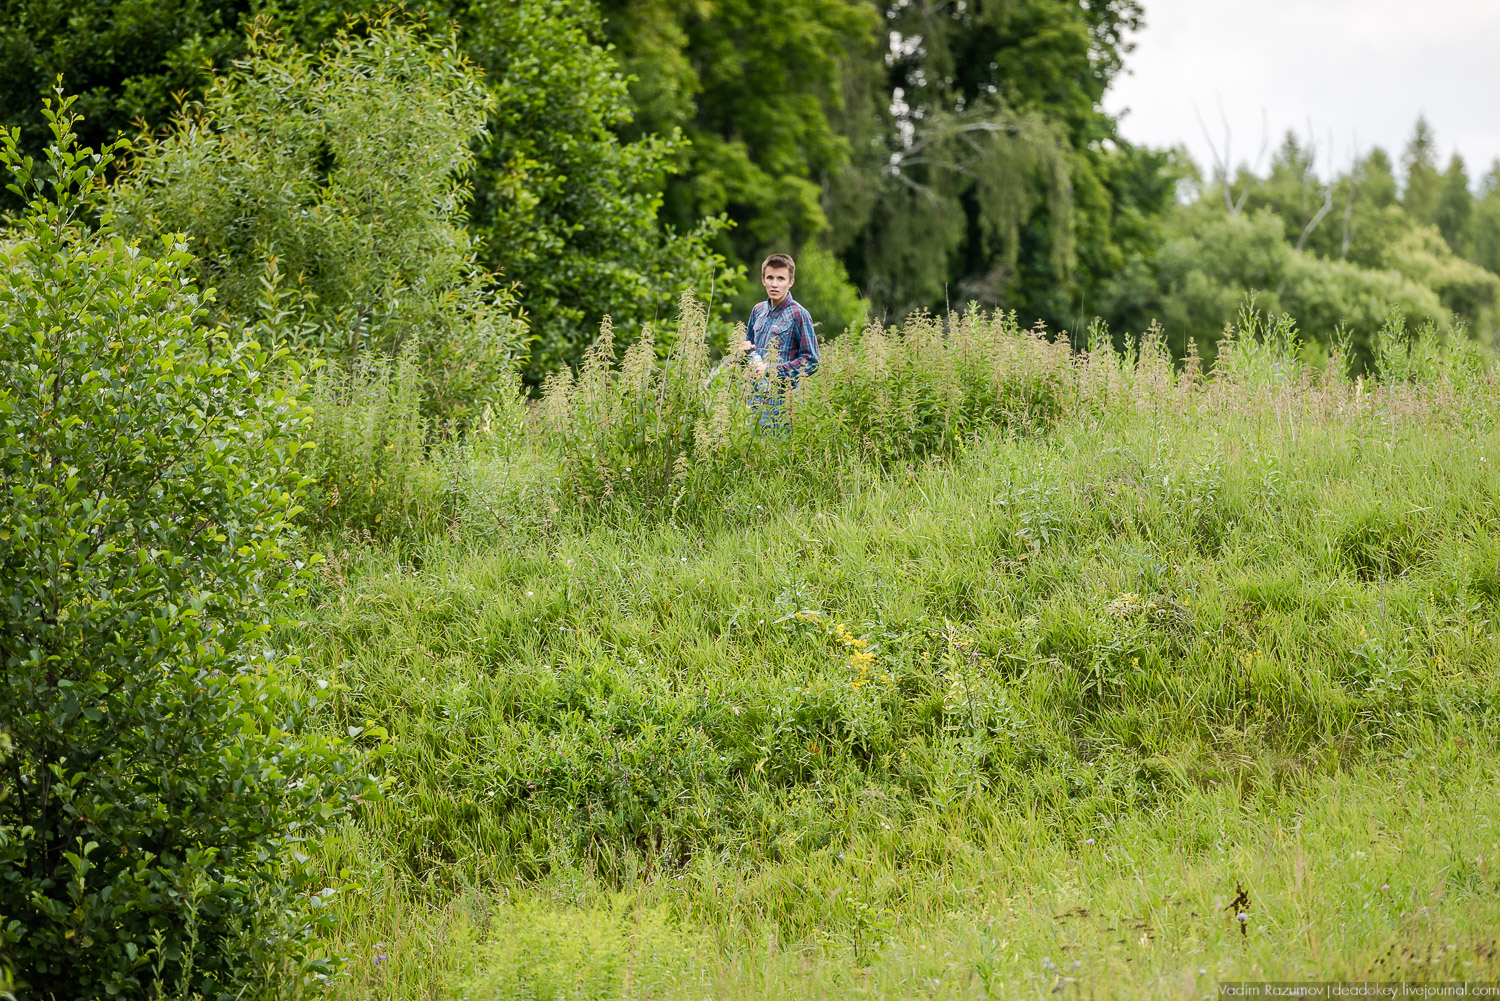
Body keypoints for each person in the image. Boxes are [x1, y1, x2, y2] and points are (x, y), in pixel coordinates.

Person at [740, 253, 819, 427]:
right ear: (763, 280)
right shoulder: (757, 310)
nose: (774, 284)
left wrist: (772, 370)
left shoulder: (799, 315)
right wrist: (744, 352)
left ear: (791, 282)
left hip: (782, 406)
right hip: (753, 402)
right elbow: (749, 353)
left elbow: (812, 361)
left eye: (781, 279)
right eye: (770, 278)